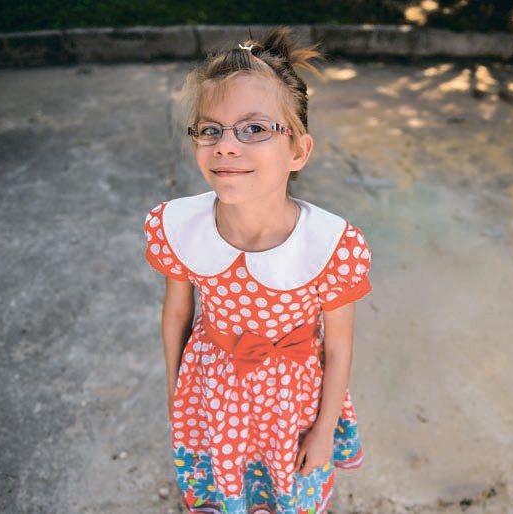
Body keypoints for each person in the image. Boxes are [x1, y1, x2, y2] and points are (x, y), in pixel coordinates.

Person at [143, 27, 372, 514]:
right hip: (214, 394)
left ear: (298, 151)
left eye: (254, 129)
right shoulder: (179, 227)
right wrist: (176, 396)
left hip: (293, 404)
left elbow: (338, 345)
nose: (225, 146)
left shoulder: (330, 246)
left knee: (290, 488)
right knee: (226, 483)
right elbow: (177, 315)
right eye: (210, 129)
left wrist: (324, 429)